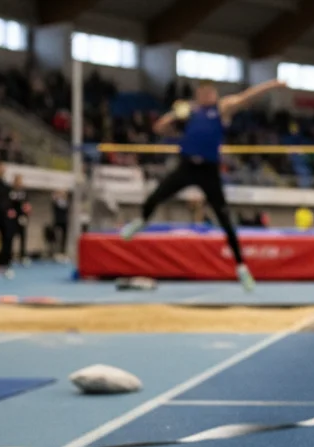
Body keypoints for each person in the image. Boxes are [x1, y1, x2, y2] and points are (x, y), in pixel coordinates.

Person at [120, 79, 289, 292]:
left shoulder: (222, 108)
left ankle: (241, 267)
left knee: (225, 220)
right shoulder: (191, 112)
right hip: (187, 166)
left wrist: (272, 84)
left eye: (210, 93)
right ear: (198, 95)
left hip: (209, 171)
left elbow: (247, 98)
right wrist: (175, 114)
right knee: (156, 196)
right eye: (203, 93)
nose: (207, 96)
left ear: (215, 94)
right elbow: (159, 127)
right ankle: (142, 221)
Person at [8, 175, 31, 266]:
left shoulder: (24, 193)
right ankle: (9, 255)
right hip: (12, 217)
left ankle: (22, 256)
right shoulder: (10, 191)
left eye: (20, 181)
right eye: (17, 181)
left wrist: (25, 215)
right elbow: (8, 204)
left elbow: (27, 205)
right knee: (10, 236)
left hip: (22, 218)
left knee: (23, 237)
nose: (19, 183)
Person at [48, 189, 69, 261]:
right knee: (55, 237)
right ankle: (54, 252)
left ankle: (62, 252)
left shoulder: (66, 203)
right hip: (57, 221)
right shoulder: (56, 202)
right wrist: (55, 196)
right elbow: (53, 203)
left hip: (64, 222)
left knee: (64, 238)